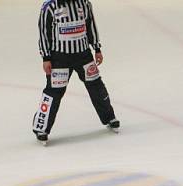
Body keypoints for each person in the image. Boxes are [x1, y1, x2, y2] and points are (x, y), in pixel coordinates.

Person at [32, 0, 119, 145]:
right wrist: (46, 57)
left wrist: (96, 48)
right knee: (54, 91)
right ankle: (41, 128)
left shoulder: (84, 3)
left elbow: (90, 25)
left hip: (83, 55)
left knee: (96, 86)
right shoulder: (49, 6)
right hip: (59, 58)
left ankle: (109, 117)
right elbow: (43, 32)